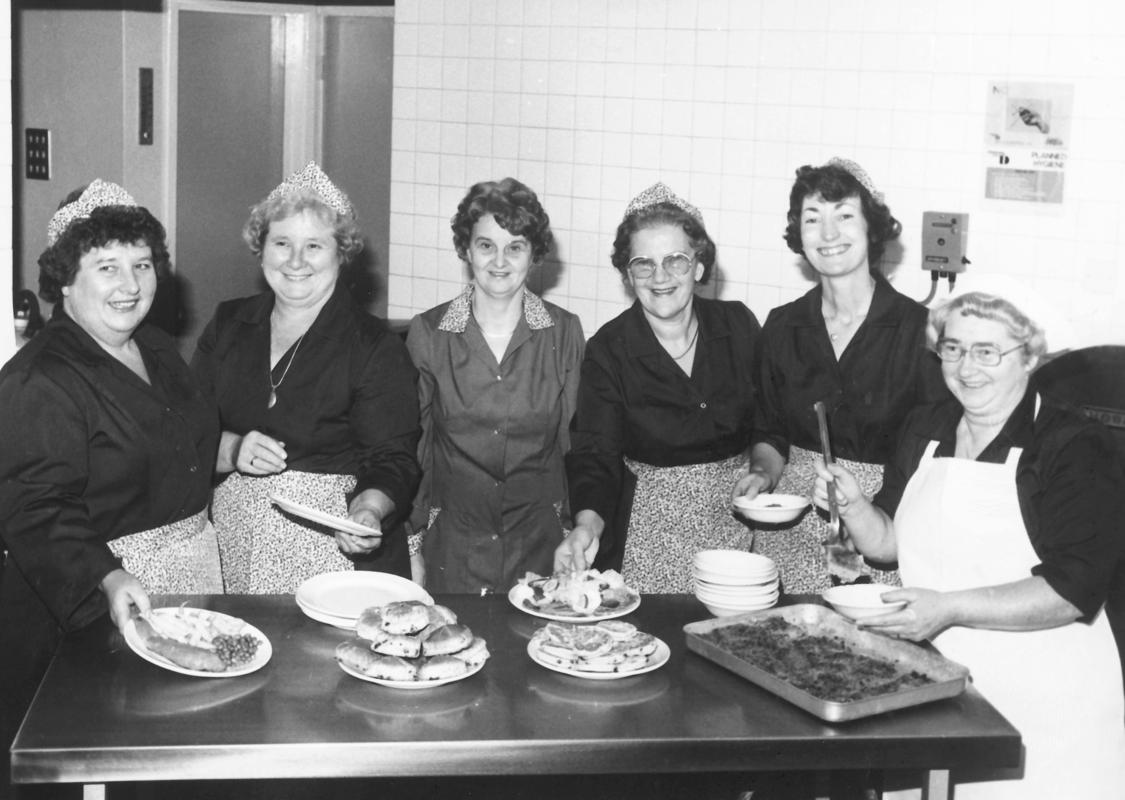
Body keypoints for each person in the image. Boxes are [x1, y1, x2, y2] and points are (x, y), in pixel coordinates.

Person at [814, 289, 1125, 798]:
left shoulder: (1072, 443)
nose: (966, 368)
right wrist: (853, 507)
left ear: (1029, 357)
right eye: (953, 349)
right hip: (937, 683)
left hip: (1043, 697)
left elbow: (1072, 591)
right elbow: (889, 543)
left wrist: (948, 608)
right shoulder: (926, 426)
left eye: (987, 351)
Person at [0, 180, 222, 795]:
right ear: (65, 282)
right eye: (107, 267)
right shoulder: (40, 380)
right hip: (103, 607)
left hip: (188, 586)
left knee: (183, 762)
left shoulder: (155, 349)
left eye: (142, 264)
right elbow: (38, 510)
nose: (131, 284)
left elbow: (178, 447)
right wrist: (107, 576)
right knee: (118, 777)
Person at [192, 162, 421, 592]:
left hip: (332, 552)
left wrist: (369, 510)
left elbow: (393, 461)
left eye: (314, 245)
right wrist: (232, 447)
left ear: (342, 252)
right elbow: (184, 430)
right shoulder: (228, 324)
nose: (295, 261)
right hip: (230, 550)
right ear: (262, 249)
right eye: (282, 243)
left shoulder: (374, 346)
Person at [734, 157, 947, 593]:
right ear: (799, 234)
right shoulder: (782, 326)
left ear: (872, 228)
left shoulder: (919, 331)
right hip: (790, 535)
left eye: (844, 216)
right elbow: (771, 431)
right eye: (813, 219)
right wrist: (762, 472)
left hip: (880, 527)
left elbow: (930, 458)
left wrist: (863, 514)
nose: (828, 234)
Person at [557, 183, 761, 592]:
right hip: (652, 537)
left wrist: (761, 471)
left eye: (676, 260)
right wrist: (585, 526)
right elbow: (595, 454)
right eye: (643, 264)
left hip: (743, 531)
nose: (661, 276)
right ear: (629, 276)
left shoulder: (737, 325)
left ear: (699, 267)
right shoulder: (609, 349)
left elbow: (768, 423)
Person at [405, 178, 584, 592]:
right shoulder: (430, 334)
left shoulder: (565, 333)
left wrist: (576, 535)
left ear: (534, 254)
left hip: (542, 550)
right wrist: (411, 546)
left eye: (515, 246)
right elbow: (417, 449)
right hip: (453, 550)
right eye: (486, 245)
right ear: (466, 250)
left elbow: (576, 447)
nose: (500, 261)